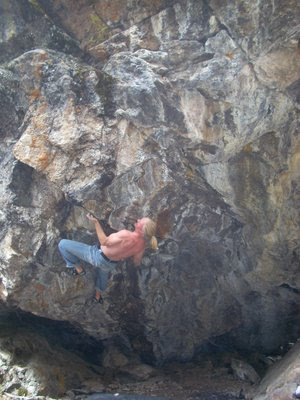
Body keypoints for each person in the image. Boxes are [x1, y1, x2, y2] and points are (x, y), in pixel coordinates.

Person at [58, 213, 158, 303]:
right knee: (103, 276)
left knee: (62, 244)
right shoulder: (142, 245)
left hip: (97, 256)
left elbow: (104, 242)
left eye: (141, 221)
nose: (138, 219)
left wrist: (96, 223)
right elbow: (136, 261)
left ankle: (77, 268)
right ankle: (98, 296)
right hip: (111, 263)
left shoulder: (126, 235)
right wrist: (123, 254)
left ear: (142, 229)